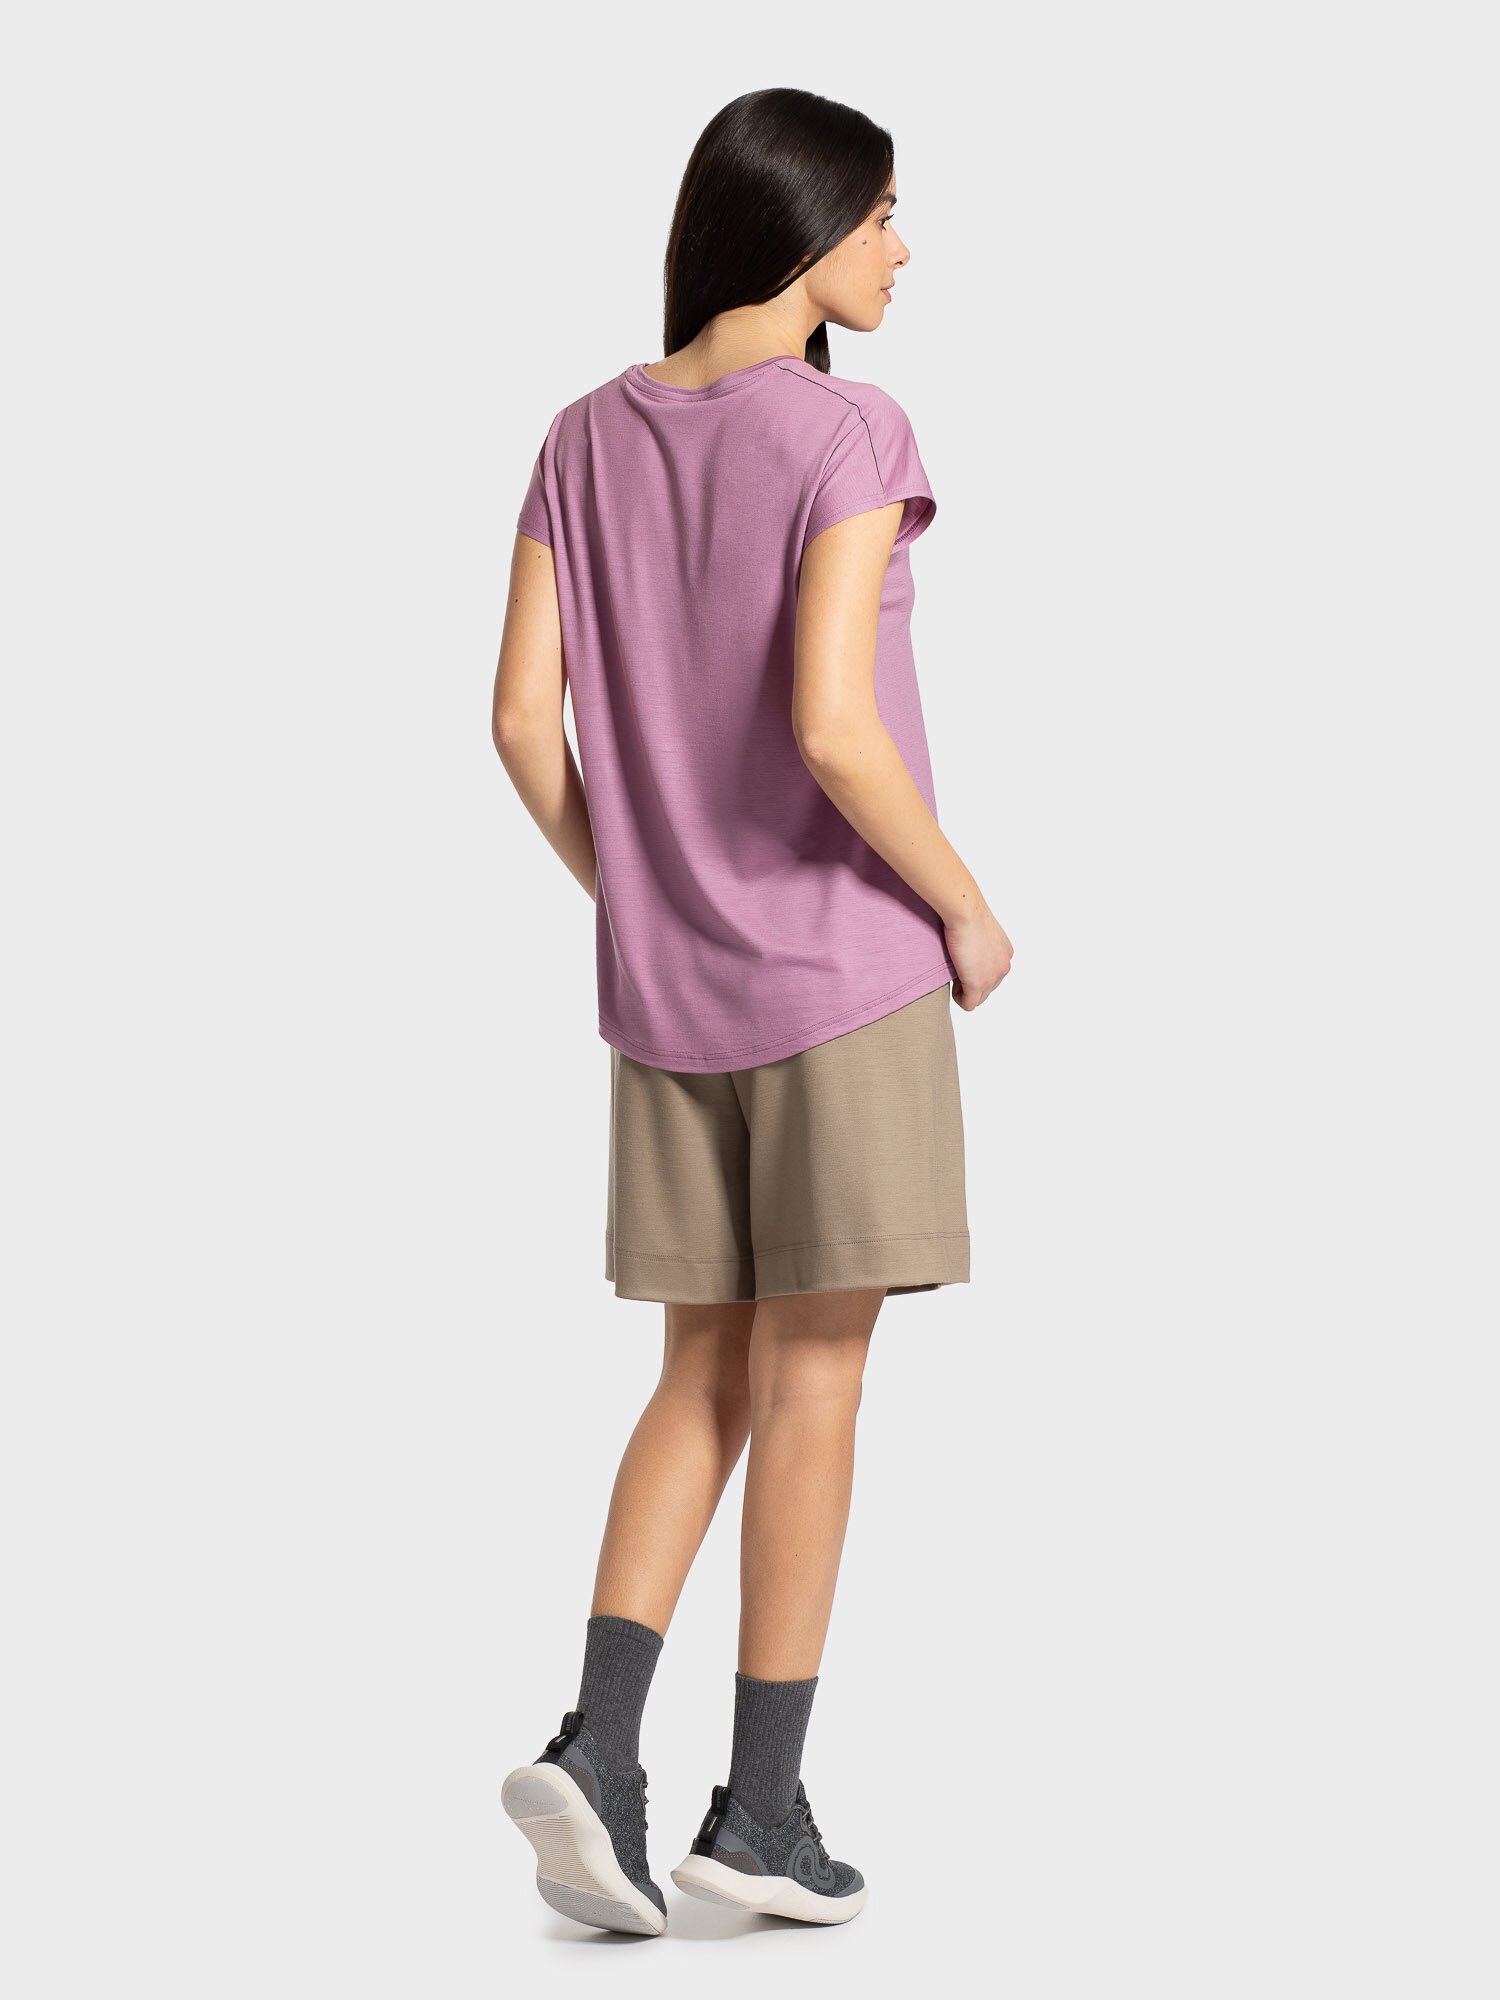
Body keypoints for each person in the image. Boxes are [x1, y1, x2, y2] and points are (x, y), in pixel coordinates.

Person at [491, 87, 1013, 1937]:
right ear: (800, 229)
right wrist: (965, 908)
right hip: (843, 976)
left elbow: (519, 725)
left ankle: (597, 1752)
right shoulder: (849, 429)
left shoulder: (580, 436)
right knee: (814, 1381)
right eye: (880, 216)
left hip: (666, 1000)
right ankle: (764, 1813)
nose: (901, 249)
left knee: (696, 1375)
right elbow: (833, 726)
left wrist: (641, 895)